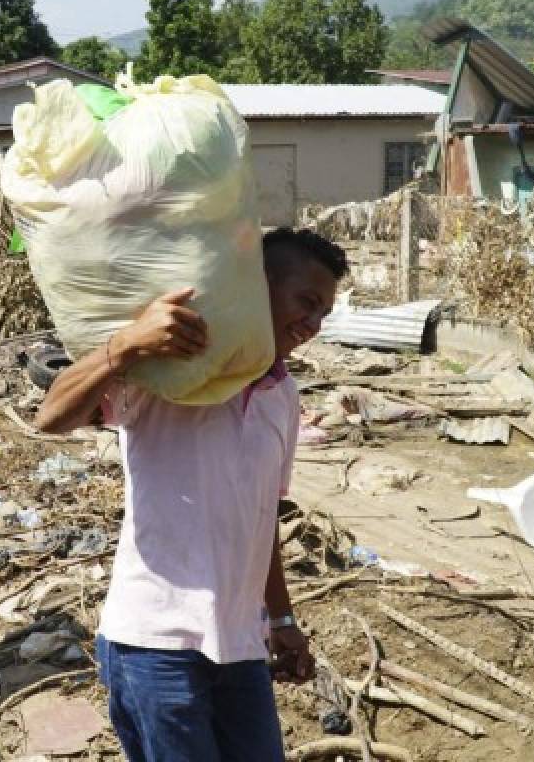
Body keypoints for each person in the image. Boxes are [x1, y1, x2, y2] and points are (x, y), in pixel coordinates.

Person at [35, 228, 348, 762]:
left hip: (240, 646)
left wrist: (282, 620)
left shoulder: (285, 396)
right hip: (155, 646)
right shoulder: (172, 373)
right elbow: (53, 416)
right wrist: (127, 345)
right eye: (306, 302)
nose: (313, 325)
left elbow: (261, 518)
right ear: (255, 285)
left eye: (324, 313)